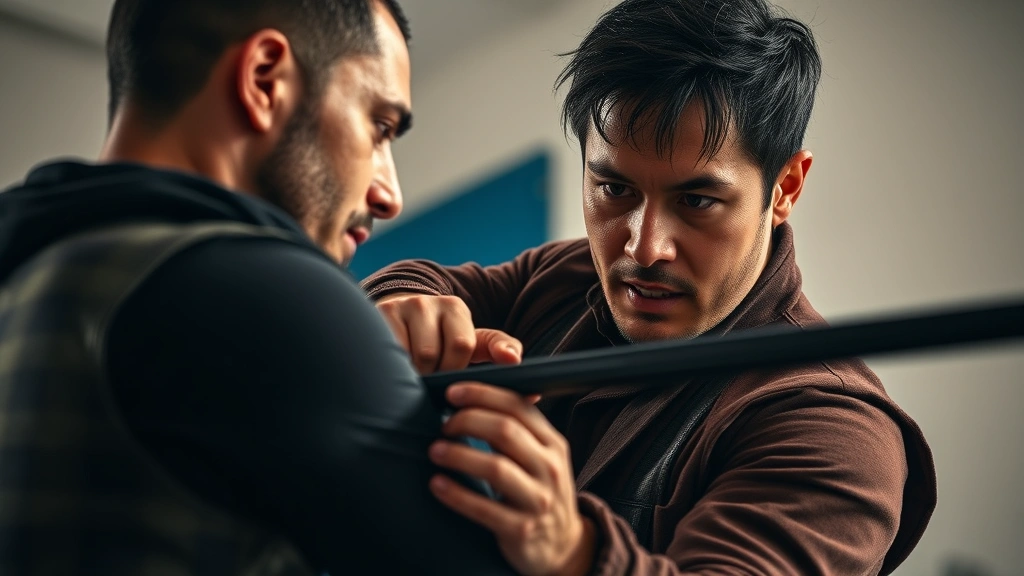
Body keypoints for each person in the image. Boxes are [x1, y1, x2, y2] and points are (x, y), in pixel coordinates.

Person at [363, 0, 938, 574]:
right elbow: (426, 281)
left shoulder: (834, 431)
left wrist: (575, 553)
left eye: (697, 201)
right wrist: (400, 302)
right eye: (614, 190)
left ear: (785, 187)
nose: (643, 248)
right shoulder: (566, 280)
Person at [0, 1, 519, 574]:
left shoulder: (30, 270)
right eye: (379, 127)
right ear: (264, 79)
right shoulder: (269, 297)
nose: (389, 194)